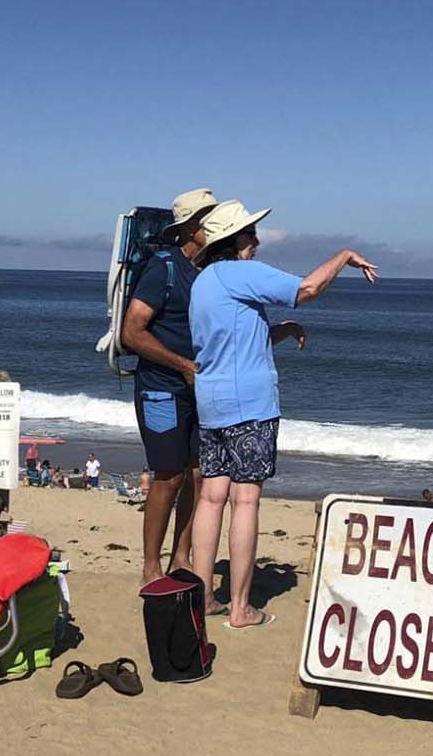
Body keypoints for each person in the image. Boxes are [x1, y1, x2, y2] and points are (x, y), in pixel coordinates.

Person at [187, 200, 377, 629]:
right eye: (249, 234)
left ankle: (202, 600)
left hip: (212, 403)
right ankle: (239, 607)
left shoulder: (204, 282)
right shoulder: (242, 273)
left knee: (211, 498)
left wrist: (281, 331)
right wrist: (344, 256)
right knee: (246, 499)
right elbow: (306, 289)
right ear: (232, 241)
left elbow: (229, 342)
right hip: (249, 406)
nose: (256, 241)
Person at [119, 187, 219, 588]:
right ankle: (150, 565)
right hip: (161, 388)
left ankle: (182, 556)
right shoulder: (164, 267)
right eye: (211, 220)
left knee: (197, 476)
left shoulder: (208, 269)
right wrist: (182, 366)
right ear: (192, 227)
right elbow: (132, 332)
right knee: (169, 476)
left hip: (198, 386)